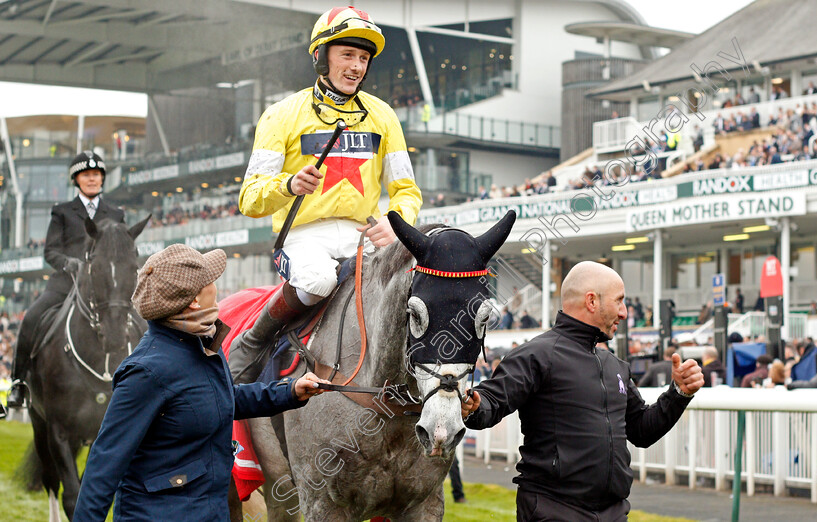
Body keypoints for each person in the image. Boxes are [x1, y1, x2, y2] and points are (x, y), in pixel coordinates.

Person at [233, 6, 422, 382]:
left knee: (414, 285)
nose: (356, 66)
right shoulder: (281, 114)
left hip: (362, 235)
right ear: (321, 57)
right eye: (347, 55)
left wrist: (395, 223)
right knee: (319, 280)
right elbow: (250, 199)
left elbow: (406, 190)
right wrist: (288, 186)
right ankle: (254, 341)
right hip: (303, 235)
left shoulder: (383, 116)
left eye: (363, 58)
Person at [75, 244, 329, 520]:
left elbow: (222, 399)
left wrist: (289, 391)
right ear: (195, 300)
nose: (215, 286)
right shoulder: (145, 373)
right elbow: (104, 464)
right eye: (209, 280)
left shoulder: (203, 344)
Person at [460, 261, 703, 521]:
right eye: (619, 301)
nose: (624, 312)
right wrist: (474, 406)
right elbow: (490, 400)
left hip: (614, 512)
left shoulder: (615, 366)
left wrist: (679, 393)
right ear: (591, 301)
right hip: (552, 510)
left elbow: (641, 430)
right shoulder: (537, 355)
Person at [7, 151, 124, 408]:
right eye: (86, 175)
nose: (92, 179)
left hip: (104, 289)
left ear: (102, 178)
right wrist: (68, 263)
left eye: (96, 175)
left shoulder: (115, 214)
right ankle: (18, 383)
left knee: (134, 321)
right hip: (65, 284)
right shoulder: (61, 212)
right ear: (76, 179)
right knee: (30, 318)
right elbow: (50, 251)